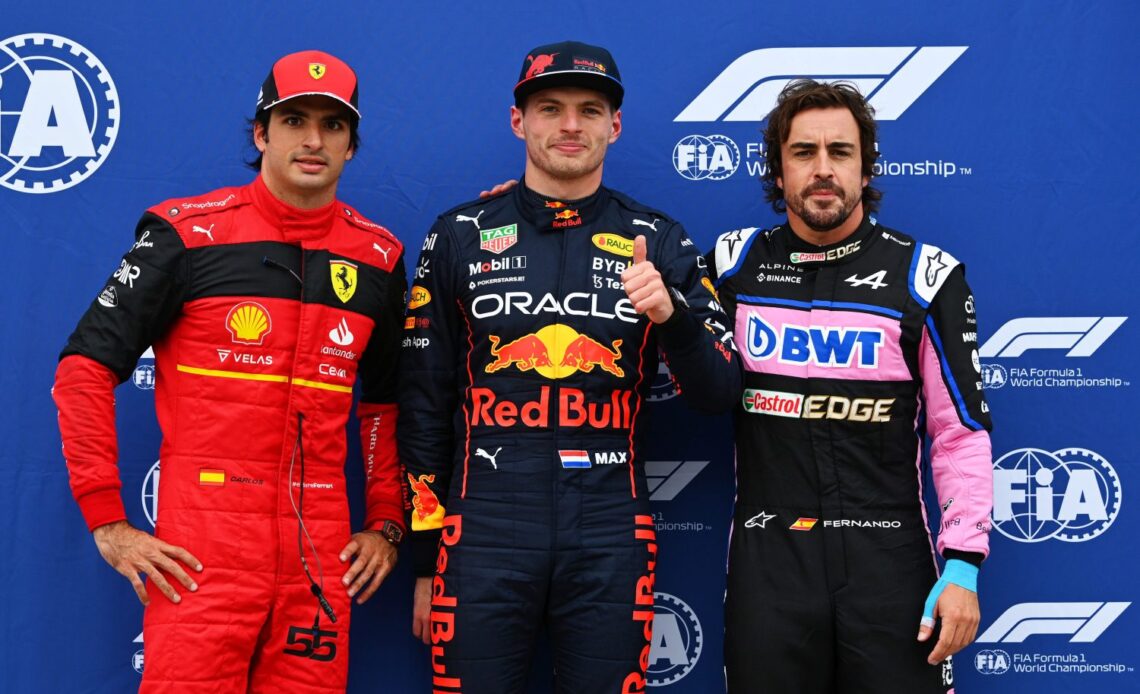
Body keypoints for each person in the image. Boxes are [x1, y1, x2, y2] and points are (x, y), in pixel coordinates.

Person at [52, 50, 407, 692]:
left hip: (321, 547)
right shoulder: (185, 234)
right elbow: (83, 369)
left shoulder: (379, 258)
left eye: (333, 125)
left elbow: (384, 405)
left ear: (352, 145)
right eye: (294, 119)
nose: (312, 139)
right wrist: (106, 519)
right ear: (260, 132)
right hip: (201, 546)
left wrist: (385, 519)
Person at [398, 40, 741, 693]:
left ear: (615, 125)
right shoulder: (460, 234)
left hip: (611, 526)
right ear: (517, 121)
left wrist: (672, 316)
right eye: (550, 108)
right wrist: (424, 556)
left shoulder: (658, 238)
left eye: (590, 109)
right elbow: (422, 403)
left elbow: (721, 388)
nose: (570, 126)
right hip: (484, 525)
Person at [709, 79, 994, 693]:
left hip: (889, 560)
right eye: (803, 152)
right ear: (777, 170)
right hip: (770, 560)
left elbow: (959, 435)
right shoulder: (732, 265)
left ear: (865, 169)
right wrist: (533, 209)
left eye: (840, 152)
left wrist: (965, 565)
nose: (822, 170)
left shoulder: (926, 275)